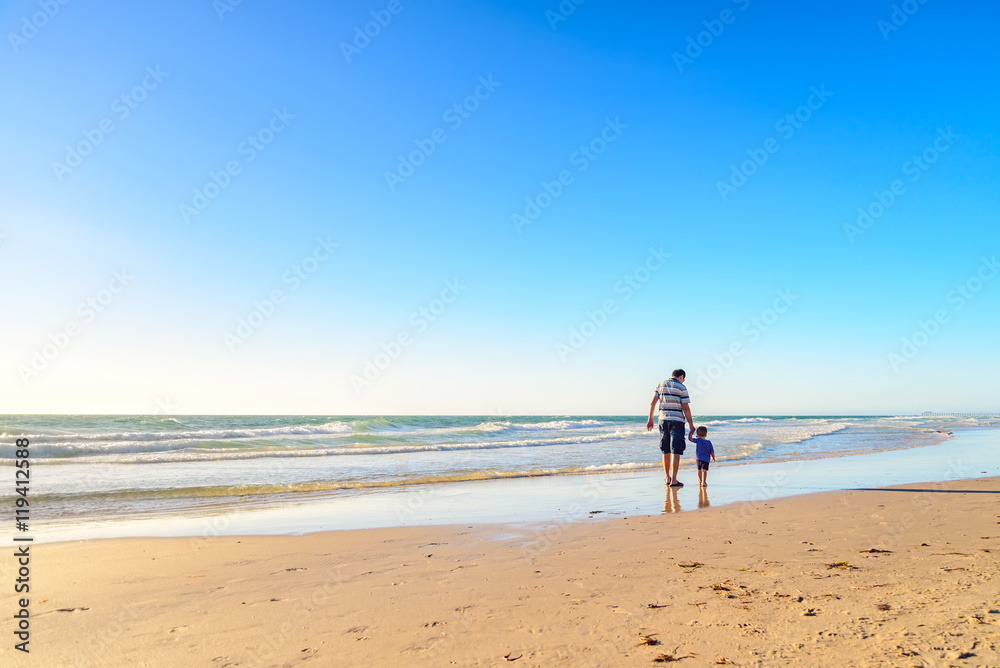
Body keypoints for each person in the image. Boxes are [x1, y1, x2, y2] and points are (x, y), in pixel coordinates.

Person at [646, 369, 695, 488]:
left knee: (665, 449)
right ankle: (674, 480)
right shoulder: (681, 387)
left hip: (663, 420)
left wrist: (650, 419)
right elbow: (686, 408)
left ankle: (667, 478)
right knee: (676, 450)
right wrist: (691, 425)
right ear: (681, 377)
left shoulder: (660, 384)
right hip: (677, 421)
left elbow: (652, 403)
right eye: (684, 379)